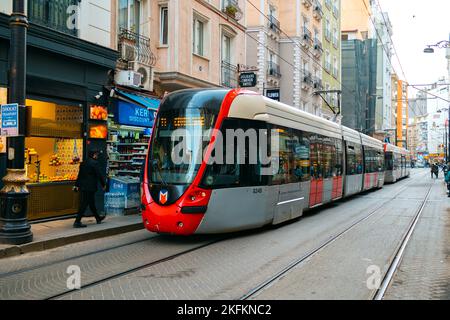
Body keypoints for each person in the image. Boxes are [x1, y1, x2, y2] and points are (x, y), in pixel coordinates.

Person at [73, 150, 106, 228]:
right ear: (94, 155)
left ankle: (98, 218)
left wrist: (76, 185)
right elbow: (99, 174)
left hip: (83, 186)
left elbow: (80, 175)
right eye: (96, 154)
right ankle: (77, 221)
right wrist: (103, 184)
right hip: (90, 187)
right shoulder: (95, 163)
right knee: (84, 203)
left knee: (91, 203)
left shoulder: (83, 163)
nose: (97, 156)